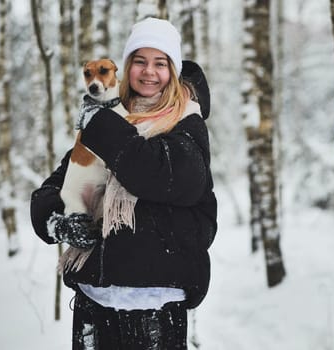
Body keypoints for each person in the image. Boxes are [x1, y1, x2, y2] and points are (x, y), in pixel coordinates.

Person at [30, 17, 217, 349]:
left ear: (172, 71)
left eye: (160, 63)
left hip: (155, 305)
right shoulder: (112, 119)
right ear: (126, 67)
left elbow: (163, 176)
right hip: (94, 300)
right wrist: (59, 222)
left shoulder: (186, 123)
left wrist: (100, 125)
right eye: (140, 61)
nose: (148, 71)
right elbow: (62, 183)